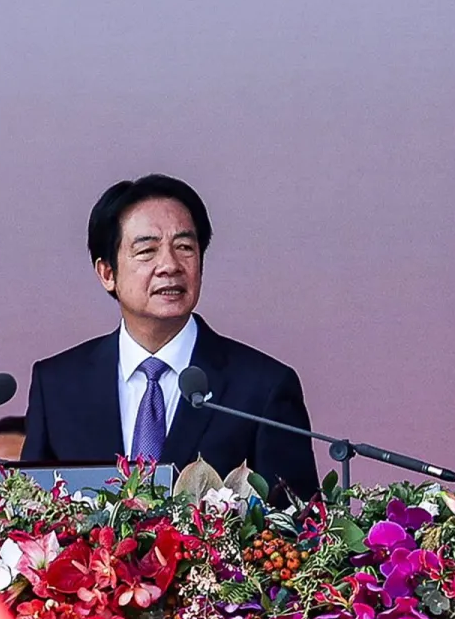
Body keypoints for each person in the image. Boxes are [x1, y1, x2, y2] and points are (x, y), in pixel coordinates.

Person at [21, 174, 319, 500]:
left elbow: (298, 522)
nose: (169, 265)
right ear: (107, 273)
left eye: (184, 247)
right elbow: (31, 510)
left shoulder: (262, 388)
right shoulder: (58, 385)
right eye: (147, 250)